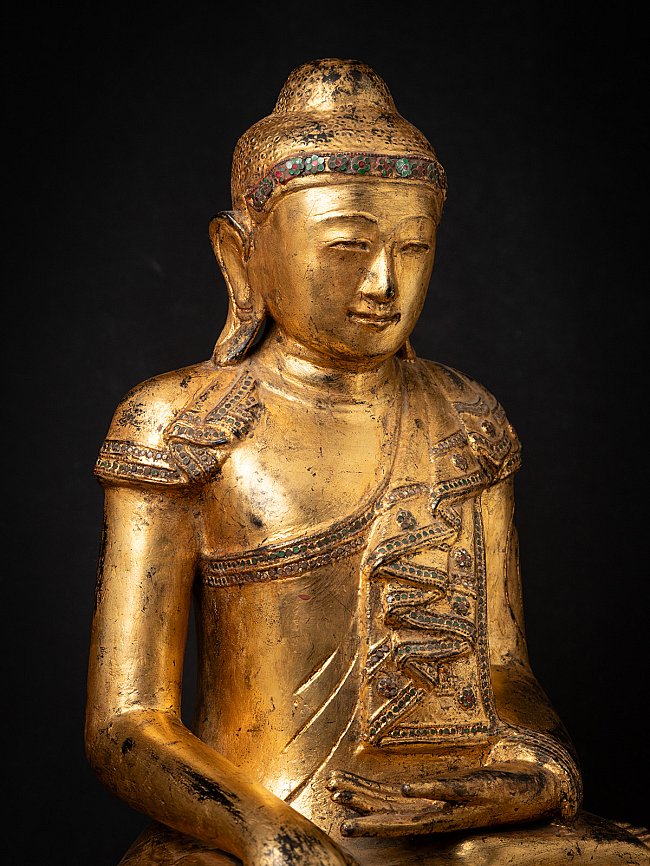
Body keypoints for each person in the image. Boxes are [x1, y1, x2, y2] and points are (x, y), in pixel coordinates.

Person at [86, 59, 649, 866]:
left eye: (413, 249)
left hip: (444, 831)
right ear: (241, 254)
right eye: (347, 247)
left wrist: (535, 771)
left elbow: (503, 669)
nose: (384, 283)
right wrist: (270, 835)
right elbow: (127, 722)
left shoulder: (466, 418)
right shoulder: (179, 423)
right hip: (253, 831)